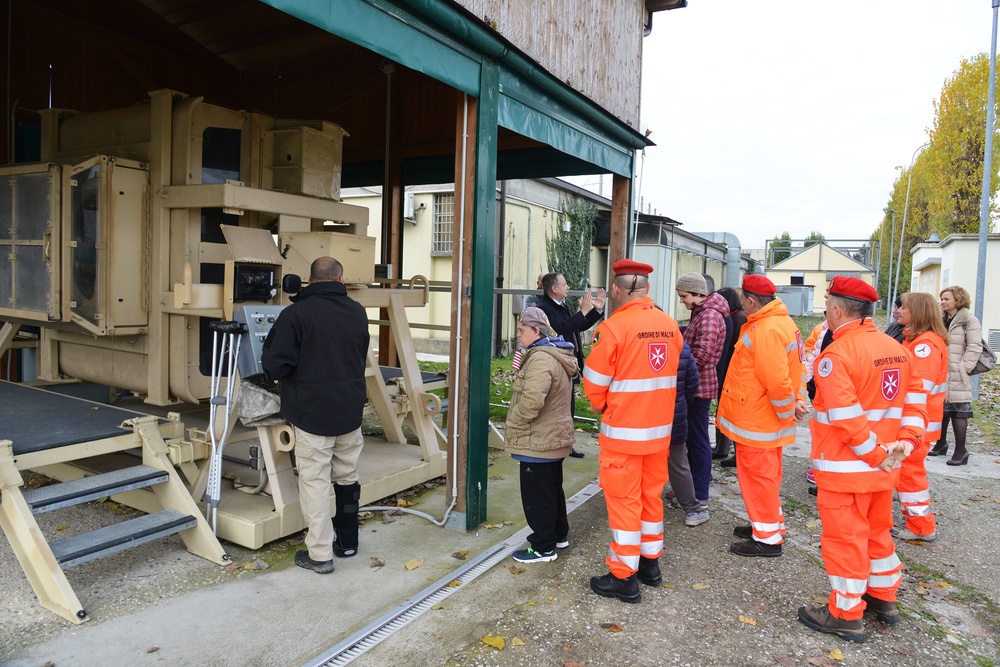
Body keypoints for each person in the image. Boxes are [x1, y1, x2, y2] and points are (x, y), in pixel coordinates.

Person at [797, 276, 926, 643]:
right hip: (884, 467)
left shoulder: (836, 355)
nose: (825, 309)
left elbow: (846, 419)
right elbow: (915, 402)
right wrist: (905, 443)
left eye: (826, 303)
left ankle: (844, 613)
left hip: (848, 470)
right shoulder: (895, 347)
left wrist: (877, 455)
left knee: (844, 540)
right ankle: (883, 599)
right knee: (876, 534)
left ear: (837, 310)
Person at [261, 257, 370, 574]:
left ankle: (321, 555)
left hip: (312, 414)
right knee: (348, 478)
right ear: (341, 278)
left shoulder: (295, 314)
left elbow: (275, 365)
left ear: (309, 280)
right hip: (349, 409)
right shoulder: (357, 311)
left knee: (315, 483)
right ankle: (348, 542)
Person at [583, 259, 682, 603]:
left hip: (625, 434)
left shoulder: (612, 328)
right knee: (650, 497)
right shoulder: (670, 325)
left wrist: (603, 407)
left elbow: (594, 386)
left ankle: (623, 576)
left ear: (615, 290)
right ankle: (649, 564)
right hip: (659, 433)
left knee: (624, 502)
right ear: (648, 289)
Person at [716, 275, 805, 558]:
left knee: (758, 479)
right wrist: (791, 406)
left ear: (752, 301)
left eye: (743, 298)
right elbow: (795, 370)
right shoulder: (781, 322)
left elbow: (777, 382)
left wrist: (784, 412)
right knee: (767, 478)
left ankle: (767, 539)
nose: (742, 302)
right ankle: (767, 525)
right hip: (764, 419)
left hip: (760, 420)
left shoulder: (766, 329)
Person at [505, 307, 579, 563]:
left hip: (538, 440)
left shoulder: (540, 358)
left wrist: (514, 422)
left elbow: (532, 401)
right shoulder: (555, 353)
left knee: (537, 498)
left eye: (521, 330)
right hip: (552, 437)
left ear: (537, 330)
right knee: (552, 491)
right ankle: (558, 535)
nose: (518, 335)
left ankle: (542, 547)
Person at [891, 292, 948, 541]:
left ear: (919, 312)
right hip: (917, 424)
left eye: (904, 307)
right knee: (907, 473)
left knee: (909, 475)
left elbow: (917, 390)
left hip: (917, 425)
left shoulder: (925, 346)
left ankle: (921, 526)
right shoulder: (918, 340)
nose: (898, 311)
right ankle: (918, 523)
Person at [675, 272, 729, 520]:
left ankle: (700, 495)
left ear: (698, 293)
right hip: (697, 385)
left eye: (684, 296)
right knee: (694, 440)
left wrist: (681, 369)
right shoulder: (704, 312)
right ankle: (692, 488)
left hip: (698, 387)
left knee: (698, 441)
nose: (682, 301)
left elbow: (702, 355)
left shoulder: (708, 315)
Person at [537, 272, 607, 458]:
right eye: (565, 284)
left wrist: (596, 311)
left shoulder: (560, 305)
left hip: (569, 363)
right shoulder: (544, 308)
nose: (568, 287)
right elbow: (559, 330)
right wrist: (582, 311)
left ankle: (566, 444)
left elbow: (577, 326)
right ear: (554, 288)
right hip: (557, 363)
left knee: (569, 407)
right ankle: (557, 444)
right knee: (558, 406)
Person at [928, 285, 982, 466]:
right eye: (941, 298)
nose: (942, 301)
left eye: (946, 299)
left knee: (959, 411)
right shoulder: (940, 319)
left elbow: (975, 347)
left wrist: (964, 368)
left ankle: (961, 451)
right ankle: (941, 443)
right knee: (940, 408)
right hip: (941, 370)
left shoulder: (969, 321)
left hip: (958, 373)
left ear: (958, 301)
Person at [666, 339, 704, 526]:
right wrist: (681, 404)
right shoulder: (679, 343)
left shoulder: (637, 342)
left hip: (644, 417)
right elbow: (692, 381)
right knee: (678, 464)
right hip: (675, 413)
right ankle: (693, 511)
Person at [714, 287, 747, 465]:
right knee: (723, 410)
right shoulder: (733, 317)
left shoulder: (739, 319)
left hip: (732, 373)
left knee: (732, 412)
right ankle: (722, 448)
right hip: (727, 371)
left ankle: (733, 452)